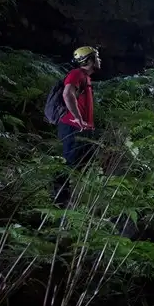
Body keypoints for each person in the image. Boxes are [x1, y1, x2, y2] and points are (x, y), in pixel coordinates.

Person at [54, 45, 101, 205]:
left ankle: (74, 198)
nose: (99, 59)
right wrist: (78, 118)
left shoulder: (85, 78)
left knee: (84, 161)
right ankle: (59, 202)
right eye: (97, 56)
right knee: (68, 163)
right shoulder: (77, 74)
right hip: (72, 126)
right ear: (89, 60)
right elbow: (67, 93)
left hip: (81, 128)